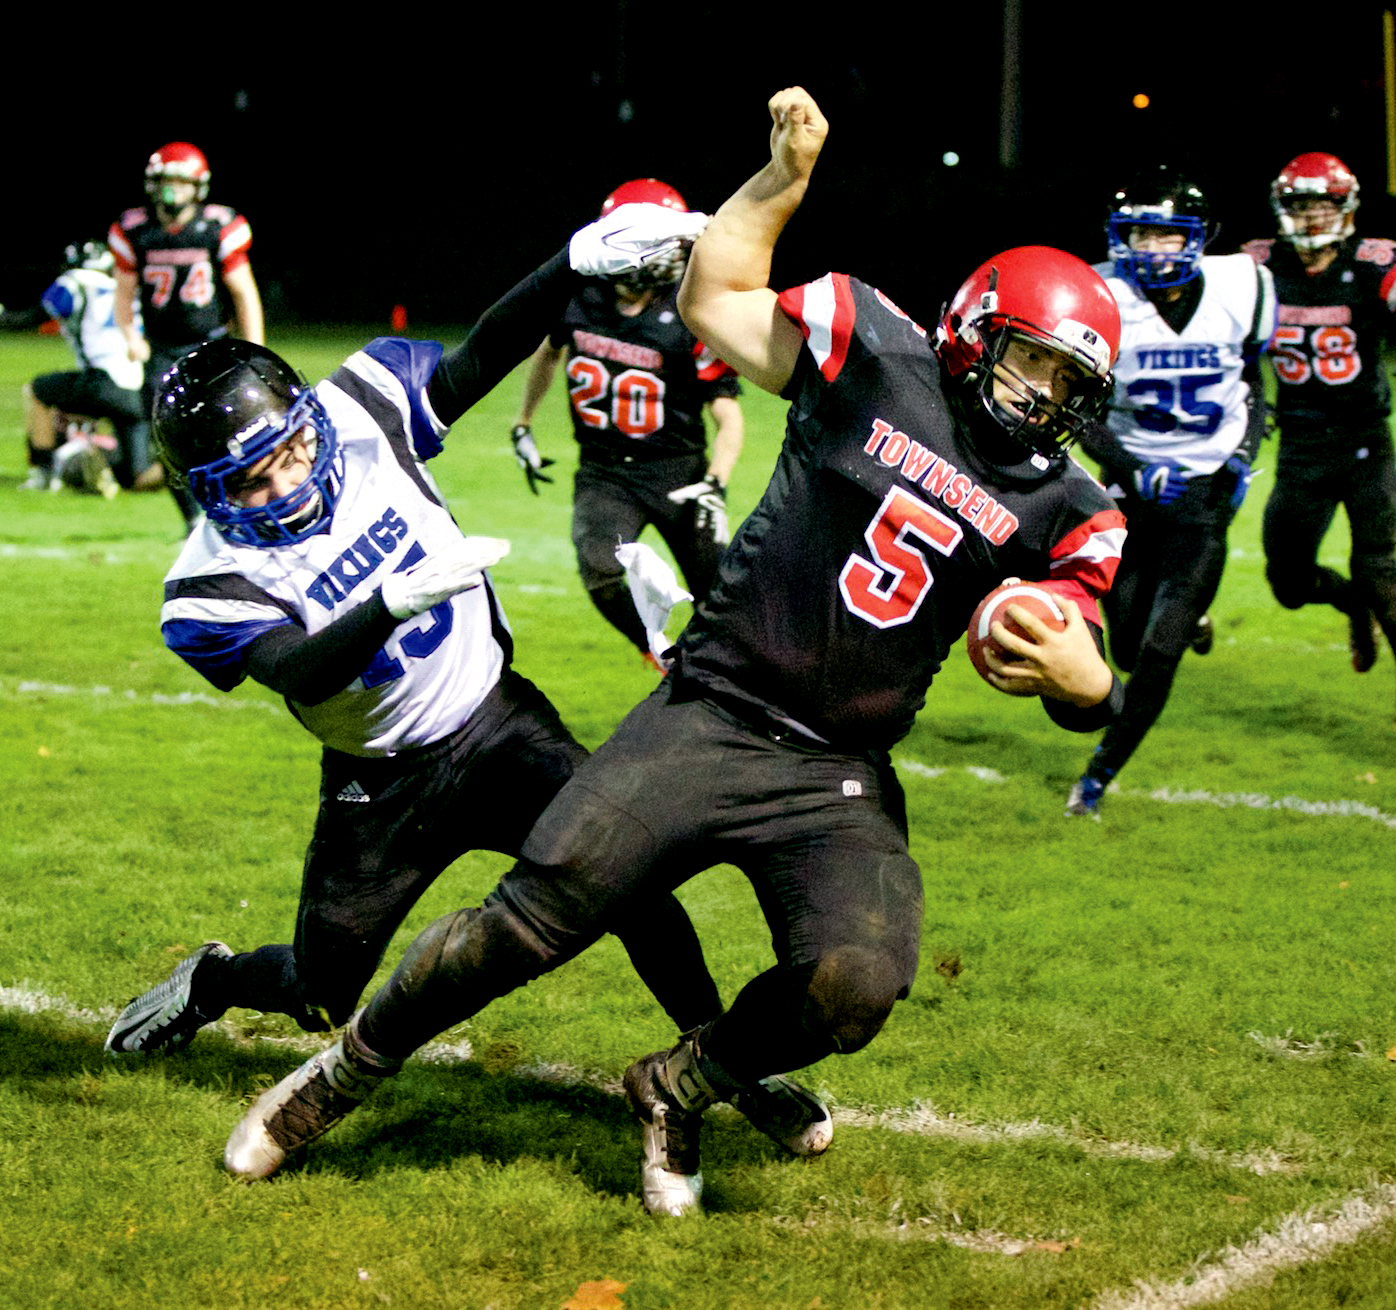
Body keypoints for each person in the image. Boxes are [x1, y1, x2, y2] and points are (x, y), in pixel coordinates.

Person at [222, 87, 1126, 1219]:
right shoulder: (873, 345)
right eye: (1029, 365)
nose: (1041, 402)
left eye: (1068, 387)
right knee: (534, 915)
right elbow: (715, 295)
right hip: (710, 709)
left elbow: (1082, 655)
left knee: (858, 980)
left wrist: (1085, 680)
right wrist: (777, 186)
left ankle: (681, 1082)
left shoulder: (1072, 506)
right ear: (972, 326)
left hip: (838, 768)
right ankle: (340, 1070)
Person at [103, 207, 830, 1164]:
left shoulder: (360, 412)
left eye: (288, 452)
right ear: (204, 492)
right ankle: (210, 983)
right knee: (322, 992)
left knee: (631, 878)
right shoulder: (205, 583)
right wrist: (389, 603)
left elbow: (481, 356)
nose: (282, 483)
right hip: (380, 778)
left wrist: (567, 262)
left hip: (497, 722)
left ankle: (722, 1062)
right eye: (250, 481)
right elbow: (292, 668)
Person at [1065, 167, 1277, 819]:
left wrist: (1241, 456)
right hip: (1130, 495)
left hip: (1206, 491)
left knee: (1156, 655)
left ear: (1196, 237)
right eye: (1139, 235)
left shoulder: (1244, 285)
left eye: (1166, 235)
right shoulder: (1098, 293)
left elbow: (1251, 383)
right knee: (1125, 644)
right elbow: (1074, 410)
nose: (1152, 249)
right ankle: (1192, 619)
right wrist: (1129, 465)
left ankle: (1097, 779)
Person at [510, 178, 744, 664]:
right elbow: (547, 354)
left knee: (720, 596)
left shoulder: (691, 311)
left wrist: (715, 484)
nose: (672, 252)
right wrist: (523, 423)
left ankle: (726, 679)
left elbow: (729, 419)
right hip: (605, 471)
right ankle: (659, 653)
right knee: (600, 571)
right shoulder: (579, 299)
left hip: (678, 471)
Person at [1241, 153, 1396, 688]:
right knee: (1287, 582)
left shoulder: (1374, 260)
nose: (1311, 218)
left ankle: (1371, 604)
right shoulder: (1257, 265)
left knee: (1383, 570)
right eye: (1300, 206)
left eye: (1322, 206)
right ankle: (1354, 606)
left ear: (1346, 208)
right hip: (1300, 446)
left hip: (1365, 443)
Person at [107, 142, 265, 527]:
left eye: (180, 182)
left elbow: (243, 291)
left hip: (210, 341)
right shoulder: (135, 230)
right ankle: (193, 521)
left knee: (233, 429)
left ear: (198, 186)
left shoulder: (216, 228)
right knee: (169, 437)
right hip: (160, 348)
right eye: (165, 181)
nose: (171, 190)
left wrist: (254, 347)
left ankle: (244, 505)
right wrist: (131, 336)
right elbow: (123, 293)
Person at [0, 239, 146, 494]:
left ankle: (44, 473)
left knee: (39, 390)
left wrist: (4, 318)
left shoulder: (76, 280)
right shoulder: (123, 287)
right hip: (137, 387)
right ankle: (92, 462)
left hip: (102, 381)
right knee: (137, 477)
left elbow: (38, 315)